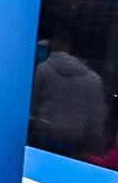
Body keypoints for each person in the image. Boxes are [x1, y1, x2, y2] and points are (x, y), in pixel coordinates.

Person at [30, 28, 109, 159]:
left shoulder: (43, 69)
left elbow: (31, 107)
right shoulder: (95, 80)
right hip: (75, 149)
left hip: (41, 142)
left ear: (54, 44)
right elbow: (96, 123)